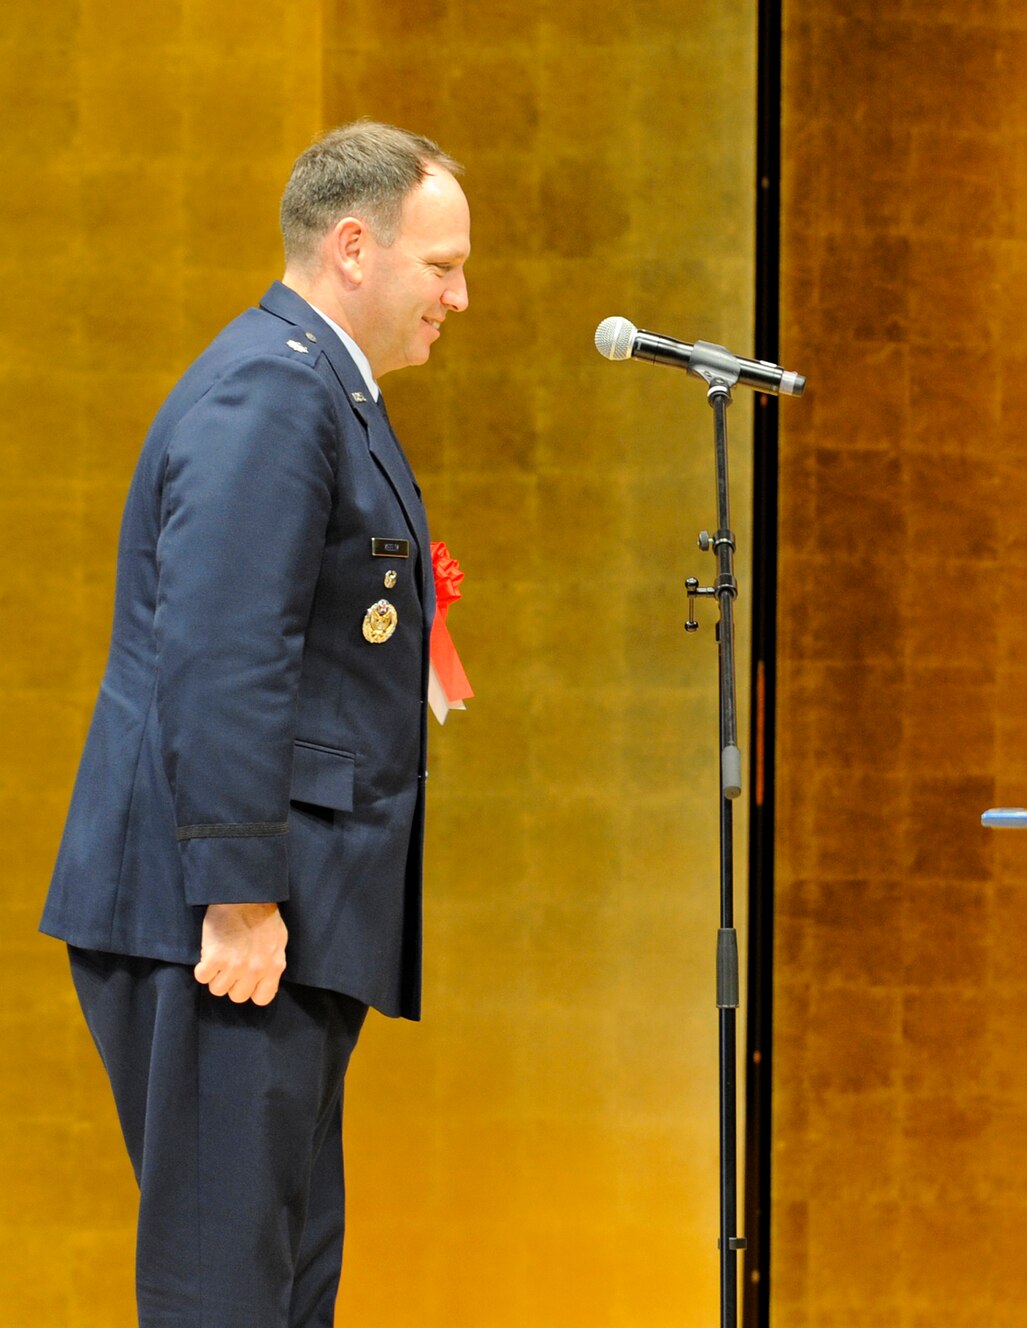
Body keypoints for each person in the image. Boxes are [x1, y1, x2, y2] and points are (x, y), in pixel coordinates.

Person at [40, 119, 469, 1325]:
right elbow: (223, 655)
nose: (459, 293)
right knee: (225, 1282)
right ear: (352, 247)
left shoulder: (317, 382)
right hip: (222, 919)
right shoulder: (275, 387)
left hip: (274, 911)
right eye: (439, 265)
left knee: (279, 1277)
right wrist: (236, 893)